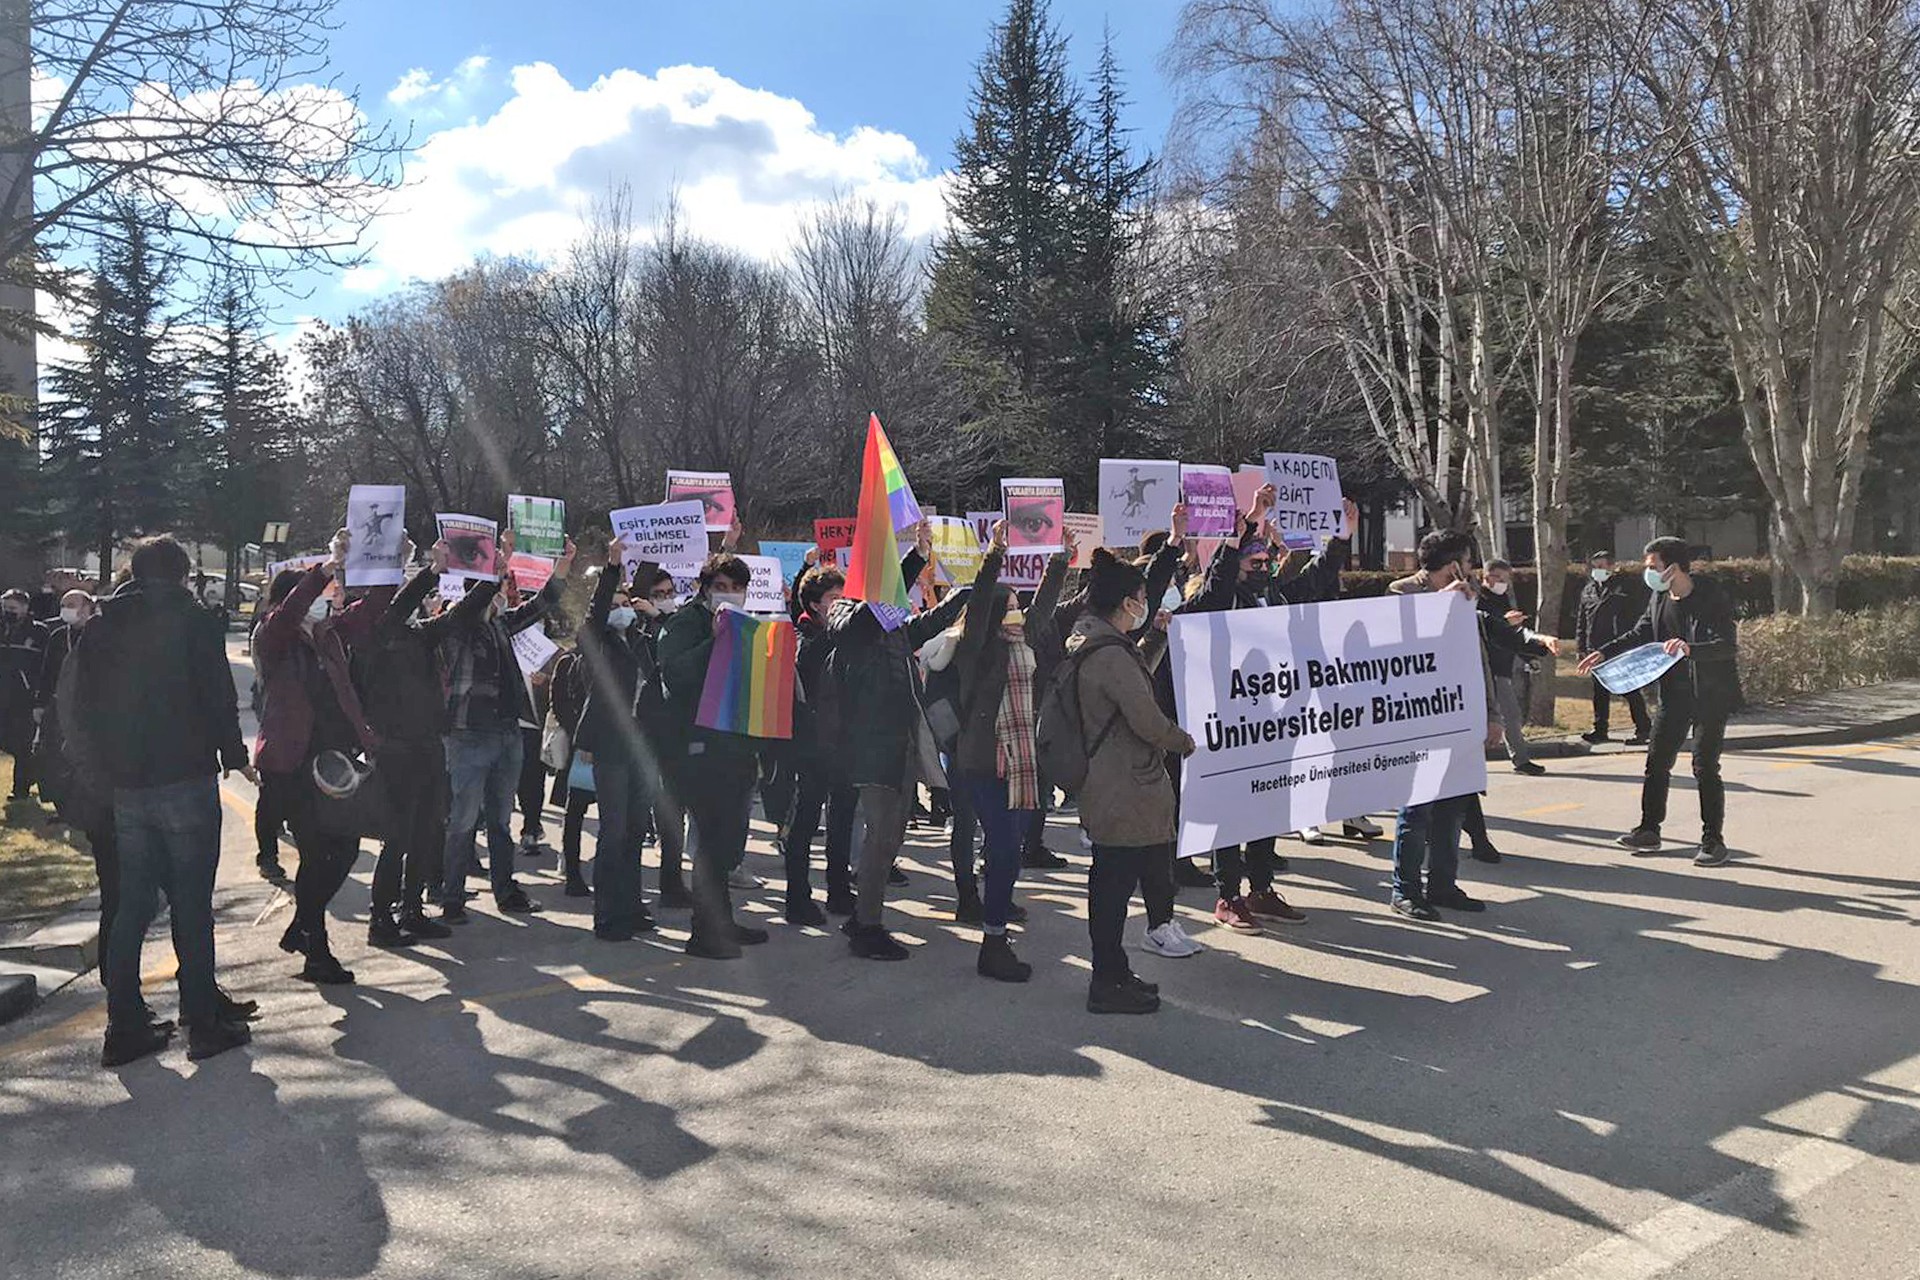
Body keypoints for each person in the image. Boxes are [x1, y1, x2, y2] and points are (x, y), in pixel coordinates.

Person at [70, 536, 255, 1066]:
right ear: (180, 574)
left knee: (131, 907)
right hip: (186, 775)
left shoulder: (102, 624)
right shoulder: (193, 620)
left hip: (128, 783)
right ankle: (202, 1018)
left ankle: (123, 1022)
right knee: (192, 903)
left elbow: (83, 704)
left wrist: (100, 770)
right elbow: (217, 693)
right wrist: (233, 754)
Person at [822, 523, 971, 960]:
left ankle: (864, 916)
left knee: (892, 836)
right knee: (882, 836)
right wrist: (910, 563)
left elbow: (923, 625)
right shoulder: (848, 613)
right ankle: (867, 926)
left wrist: (965, 592)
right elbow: (863, 625)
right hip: (872, 746)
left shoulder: (890, 624)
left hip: (901, 741)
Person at [253, 532, 395, 984]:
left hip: (334, 766)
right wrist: (326, 568)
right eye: (313, 595)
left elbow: (373, 610)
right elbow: (290, 612)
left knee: (346, 848)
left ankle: (302, 925)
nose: (323, 602)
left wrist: (394, 561)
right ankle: (317, 952)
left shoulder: (328, 636)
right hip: (292, 766)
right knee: (317, 853)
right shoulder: (273, 638)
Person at [1071, 549, 1200, 1013]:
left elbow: (1132, 676)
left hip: (1115, 781)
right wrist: (1184, 740)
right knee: (1111, 889)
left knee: (1113, 882)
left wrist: (1157, 638)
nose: (1146, 605)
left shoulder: (1098, 641)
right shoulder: (1107, 653)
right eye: (1142, 597)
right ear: (1126, 602)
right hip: (1121, 785)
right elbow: (1146, 719)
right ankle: (1106, 980)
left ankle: (1114, 971)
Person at [946, 519, 1069, 983]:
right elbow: (979, 608)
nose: (1020, 613)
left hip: (1019, 760)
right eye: (1012, 606)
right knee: (1001, 847)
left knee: (1010, 851)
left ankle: (996, 930)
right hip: (985, 759)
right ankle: (992, 942)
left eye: (1020, 605)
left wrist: (1059, 561)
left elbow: (1044, 609)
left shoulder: (1024, 641)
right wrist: (993, 556)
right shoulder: (978, 649)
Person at [436, 530, 575, 921]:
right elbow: (474, 603)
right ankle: (451, 895)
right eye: (493, 592)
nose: (499, 597)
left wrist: (563, 566)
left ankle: (505, 890)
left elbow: (541, 604)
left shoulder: (500, 625)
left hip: (506, 734)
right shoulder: (455, 625)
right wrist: (498, 566)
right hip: (468, 735)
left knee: (500, 821)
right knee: (462, 820)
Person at [1578, 537, 1741, 867]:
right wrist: (1604, 652)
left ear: (1674, 568)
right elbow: (1641, 633)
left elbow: (1726, 644)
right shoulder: (1658, 597)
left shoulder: (1710, 595)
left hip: (1710, 694)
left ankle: (1713, 840)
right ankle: (1649, 829)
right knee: (1657, 761)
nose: (1647, 573)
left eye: (1652, 566)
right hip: (1674, 694)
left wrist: (1690, 648)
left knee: (1704, 766)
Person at [353, 539, 485, 944]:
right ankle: (381, 918)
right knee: (397, 835)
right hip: (395, 747)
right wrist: (432, 570)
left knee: (428, 830)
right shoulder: (377, 635)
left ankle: (412, 909)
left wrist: (492, 576)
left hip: (429, 743)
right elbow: (399, 608)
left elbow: (460, 615)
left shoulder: (419, 636)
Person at [656, 553, 773, 958]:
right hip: (697, 747)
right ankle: (703, 933)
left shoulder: (746, 625)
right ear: (705, 590)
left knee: (726, 842)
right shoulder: (684, 624)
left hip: (735, 746)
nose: (730, 595)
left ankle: (721, 921)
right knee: (708, 840)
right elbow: (675, 674)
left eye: (737, 588)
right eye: (721, 587)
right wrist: (715, 639)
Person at [1385, 531, 1504, 921]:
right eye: (1467, 561)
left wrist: (1491, 713)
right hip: (1417, 720)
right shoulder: (1401, 592)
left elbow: (1478, 658)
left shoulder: (1467, 599)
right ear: (1453, 563)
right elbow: (1397, 647)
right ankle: (1405, 890)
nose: (1471, 569)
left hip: (1460, 717)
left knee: (1453, 807)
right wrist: (1442, 604)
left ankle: (1443, 884)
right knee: (1417, 809)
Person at [572, 540, 661, 941]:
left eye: (628, 600)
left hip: (644, 747)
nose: (623, 606)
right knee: (615, 829)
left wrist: (655, 546)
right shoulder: (598, 642)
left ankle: (631, 903)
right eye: (617, 603)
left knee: (637, 827)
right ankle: (607, 913)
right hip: (611, 747)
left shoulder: (639, 639)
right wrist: (612, 567)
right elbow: (595, 613)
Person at [782, 564, 857, 923]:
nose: (841, 606)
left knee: (843, 820)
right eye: (834, 600)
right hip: (811, 747)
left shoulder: (843, 636)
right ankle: (797, 897)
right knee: (806, 822)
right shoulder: (805, 638)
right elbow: (809, 666)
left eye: (845, 598)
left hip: (844, 743)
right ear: (814, 605)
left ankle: (839, 890)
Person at [1476, 559, 1562, 776]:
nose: (1501, 583)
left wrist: (1529, 655)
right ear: (1485, 577)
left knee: (1506, 715)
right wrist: (1507, 624)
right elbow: (1496, 630)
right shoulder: (1476, 601)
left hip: (1501, 667)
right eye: (1497, 577)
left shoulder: (1503, 599)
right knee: (1509, 714)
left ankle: (1518, 759)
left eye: (1506, 579)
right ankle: (1520, 760)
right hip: (1486, 667)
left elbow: (1514, 636)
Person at [1576, 551, 1651, 745]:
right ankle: (1600, 730)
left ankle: (1643, 729)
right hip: (1595, 647)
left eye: (1602, 566)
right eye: (1595, 566)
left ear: (1611, 566)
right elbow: (1582, 621)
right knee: (1599, 692)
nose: (1598, 570)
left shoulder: (1624, 587)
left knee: (1629, 688)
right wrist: (1581, 646)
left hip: (1618, 646)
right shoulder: (1589, 590)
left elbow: (1635, 615)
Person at [2, 587, 49, 801]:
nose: (8, 612)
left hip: (24, 697)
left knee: (22, 745)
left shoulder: (39, 632)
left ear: (25, 607)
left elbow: (45, 666)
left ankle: (20, 789)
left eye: (12, 608)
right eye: (5, 607)